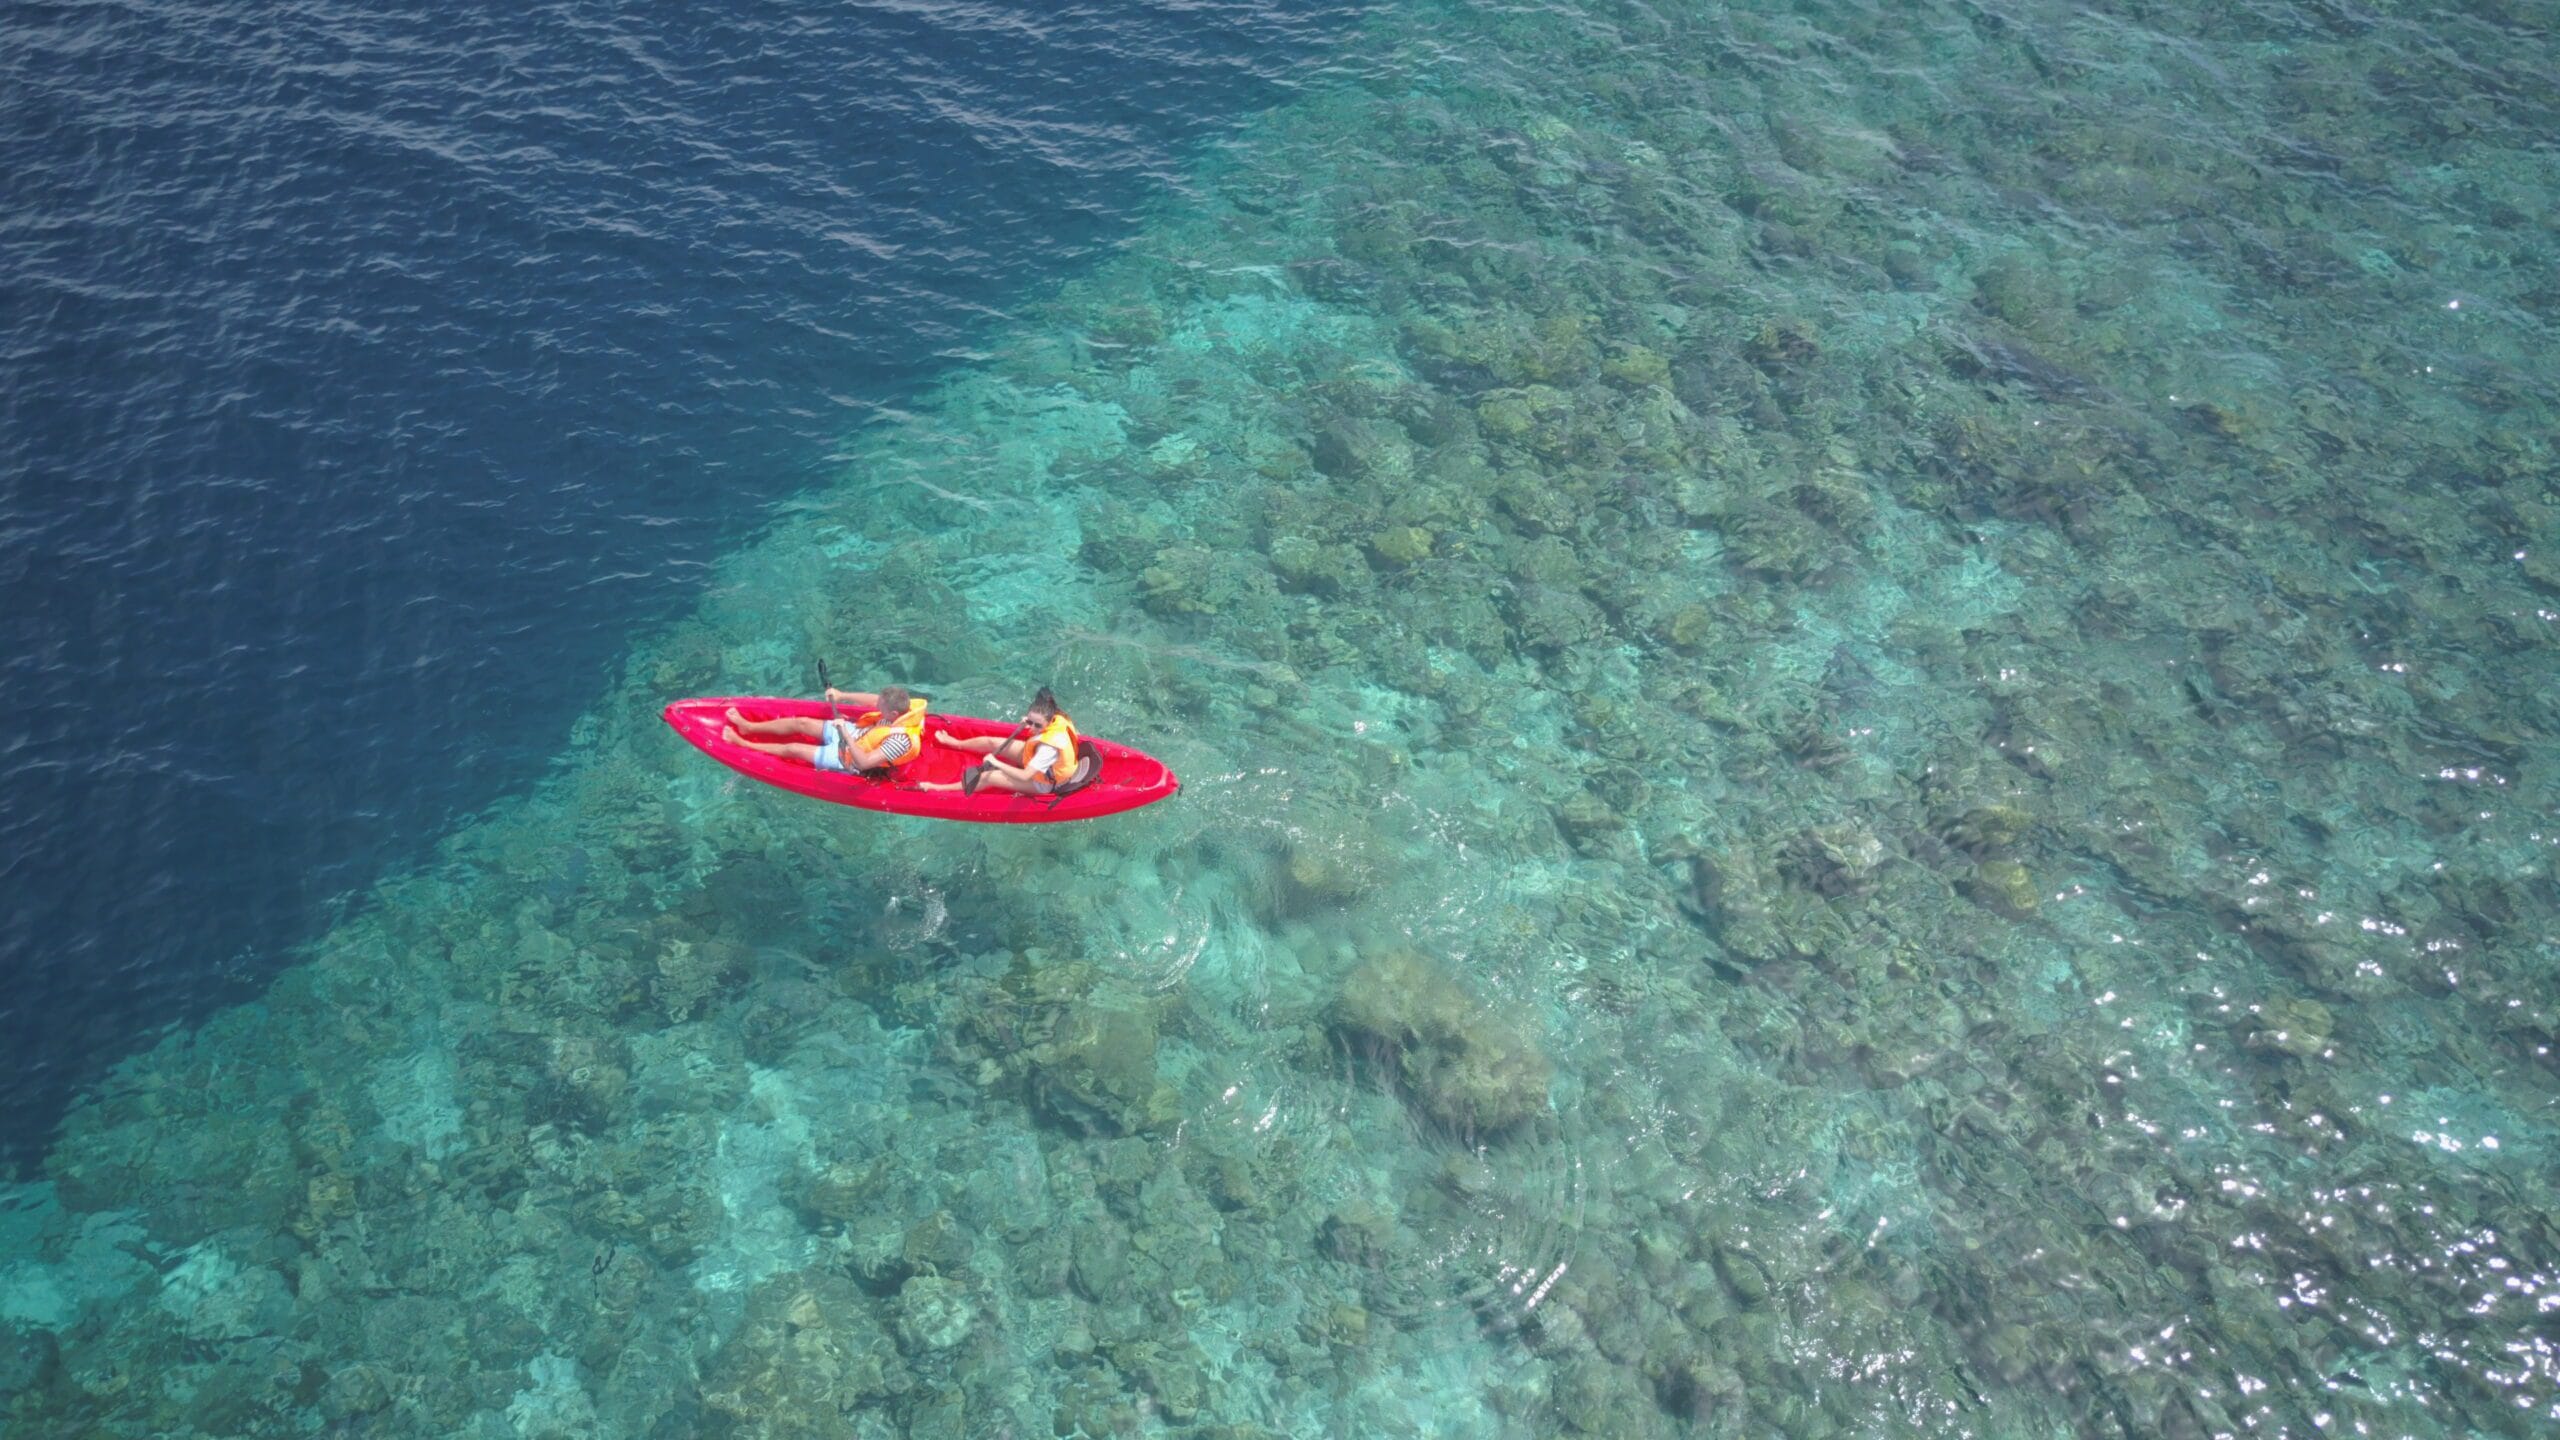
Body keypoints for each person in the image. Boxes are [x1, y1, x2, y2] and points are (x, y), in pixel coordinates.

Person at [723, 686, 929, 775]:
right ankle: (748, 727)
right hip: (858, 734)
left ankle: (744, 743)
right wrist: (841, 695)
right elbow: (875, 700)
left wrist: (845, 735)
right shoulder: (904, 709)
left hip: (850, 758)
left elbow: (864, 763)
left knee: (794, 749)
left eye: (881, 708)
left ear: (893, 713)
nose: (876, 707)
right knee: (801, 723)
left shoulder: (901, 741)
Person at [917, 687, 1080, 796]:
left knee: (989, 777)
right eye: (1030, 722)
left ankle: (939, 788)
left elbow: (1025, 776)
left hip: (1043, 782)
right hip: (1037, 760)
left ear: (1050, 721)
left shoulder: (1047, 748)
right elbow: (1046, 728)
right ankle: (956, 743)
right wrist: (1031, 723)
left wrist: (997, 762)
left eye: (1038, 725)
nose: (1033, 728)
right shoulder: (1058, 717)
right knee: (992, 742)